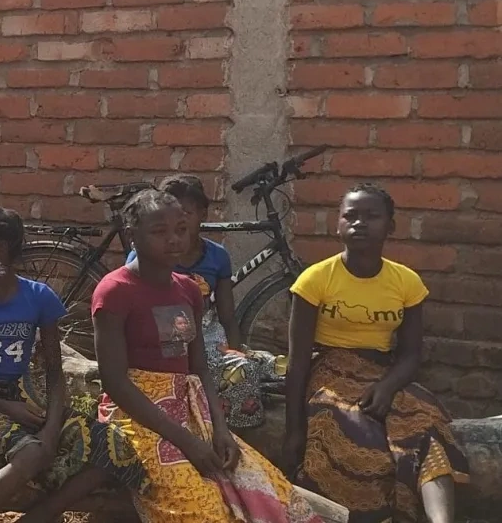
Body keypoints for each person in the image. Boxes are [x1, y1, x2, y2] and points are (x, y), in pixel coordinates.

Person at [92, 190, 323, 523]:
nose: (173, 240)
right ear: (132, 237)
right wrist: (187, 441)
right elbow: (115, 382)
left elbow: (198, 365)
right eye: (159, 232)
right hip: (136, 415)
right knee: (202, 508)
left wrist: (220, 430)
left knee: (272, 495)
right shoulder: (115, 291)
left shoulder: (188, 289)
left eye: (181, 230)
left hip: (190, 407)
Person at [0, 203, 147, 523]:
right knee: (31, 453)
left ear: (0, 250)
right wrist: (6, 409)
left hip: (23, 400)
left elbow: (54, 372)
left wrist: (50, 427)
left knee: (116, 446)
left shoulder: (39, 297)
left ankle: (40, 516)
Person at [284, 184, 469, 523]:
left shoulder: (406, 282)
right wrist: (294, 430)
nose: (359, 224)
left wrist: (386, 388)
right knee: (353, 434)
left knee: (428, 427)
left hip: (385, 372)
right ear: (337, 224)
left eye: (371, 216)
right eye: (350, 216)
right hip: (330, 370)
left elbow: (412, 354)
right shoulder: (314, 280)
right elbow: (296, 362)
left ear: (391, 226)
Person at [126, 174, 282, 429]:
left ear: (202, 214)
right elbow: (140, 306)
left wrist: (235, 350)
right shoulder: (147, 254)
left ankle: (229, 428)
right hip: (160, 331)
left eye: (186, 213)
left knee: (250, 368)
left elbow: (227, 315)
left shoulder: (216, 257)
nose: (178, 223)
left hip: (206, 331)